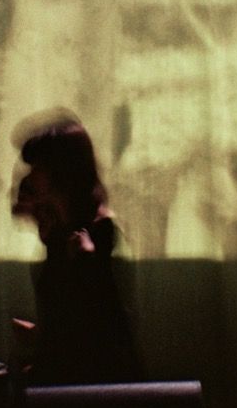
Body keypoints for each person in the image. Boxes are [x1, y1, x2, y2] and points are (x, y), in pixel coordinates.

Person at [10, 115, 141, 386]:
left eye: (38, 167)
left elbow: (99, 329)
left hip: (94, 389)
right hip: (66, 381)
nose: (31, 175)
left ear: (60, 170)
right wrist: (41, 337)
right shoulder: (59, 233)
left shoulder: (98, 234)